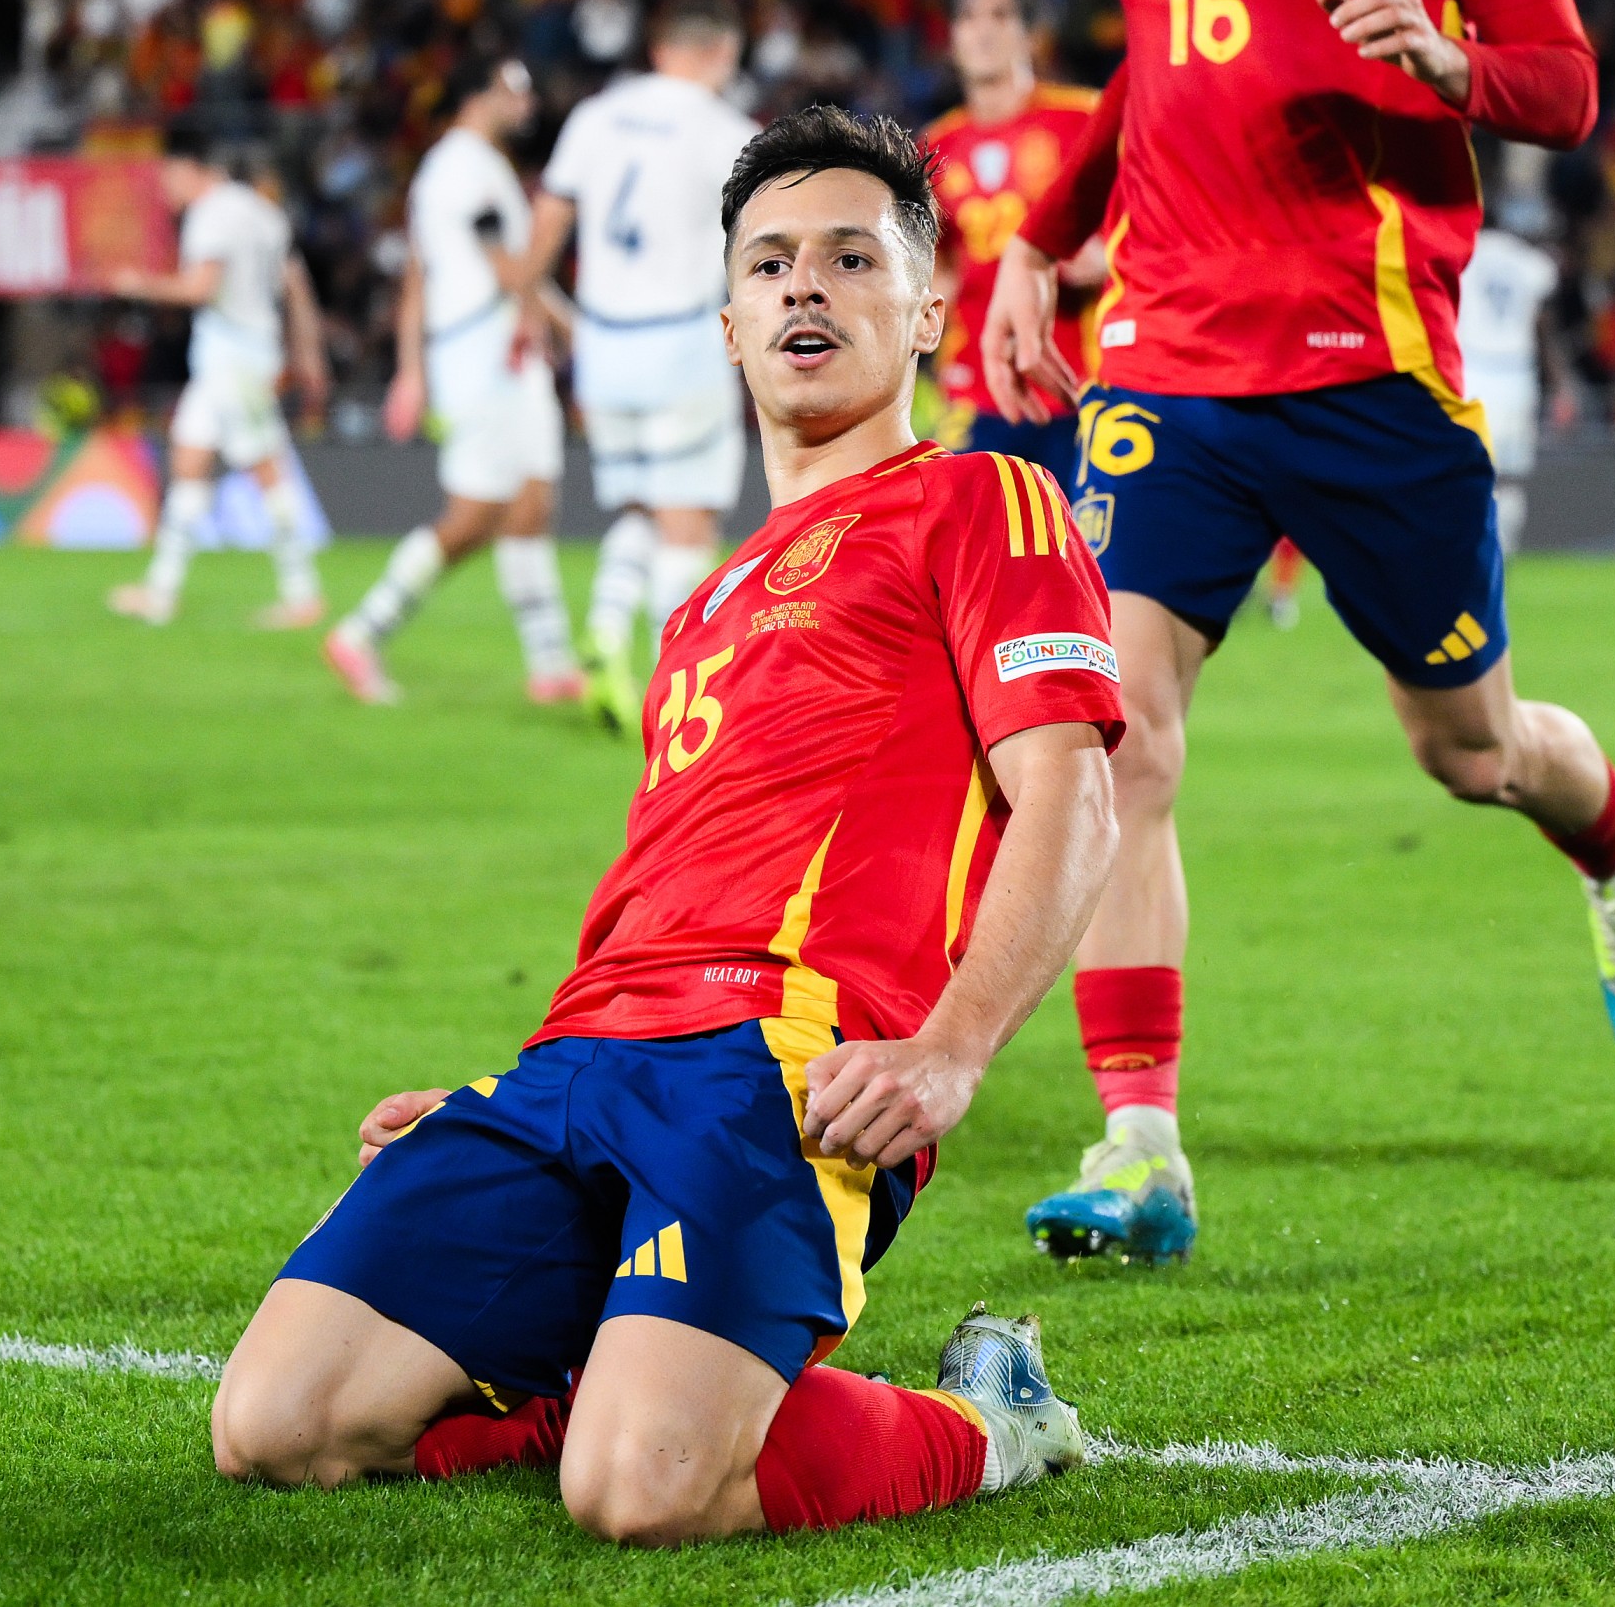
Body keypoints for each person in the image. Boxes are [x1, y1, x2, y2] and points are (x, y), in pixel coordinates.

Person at [216, 108, 1125, 1545]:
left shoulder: (976, 498)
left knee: (637, 1491)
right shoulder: (699, 603)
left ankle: (987, 1418)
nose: (803, 287)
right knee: (276, 1424)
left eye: (847, 257)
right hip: (580, 1064)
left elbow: (1072, 798)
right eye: (768, 264)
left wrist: (952, 1048)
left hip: (780, 1059)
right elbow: (663, 879)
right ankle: (625, 1345)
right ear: (725, 320)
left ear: (928, 308)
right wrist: (503, 1090)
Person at [977, 0, 1615, 1267]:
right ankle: (1139, 1142)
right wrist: (1030, 244)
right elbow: (1147, 89)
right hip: (1166, 367)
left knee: (1470, 750)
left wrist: (1448, 59)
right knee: (1116, 734)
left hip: (1374, 373)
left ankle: (1611, 838)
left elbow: (1565, 88)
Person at [525, 0, 758, 732]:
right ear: (721, 53)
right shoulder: (727, 131)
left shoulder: (596, 116)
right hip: (680, 337)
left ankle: (603, 624)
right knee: (687, 518)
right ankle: (675, 691)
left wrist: (528, 293)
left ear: (658, 49)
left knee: (635, 506)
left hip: (603, 343)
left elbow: (551, 217)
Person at [324, 51, 580, 706]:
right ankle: (362, 631)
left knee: (531, 503)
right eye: (511, 90)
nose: (525, 103)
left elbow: (421, 276)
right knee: (475, 515)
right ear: (477, 97)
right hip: (482, 354)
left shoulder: (465, 169)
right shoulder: (464, 170)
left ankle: (551, 665)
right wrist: (572, 309)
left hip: (506, 353)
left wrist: (411, 368)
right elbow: (507, 271)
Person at [107, 155, 330, 628]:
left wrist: (137, 284)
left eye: (168, 175)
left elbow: (201, 288)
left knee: (267, 467)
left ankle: (303, 594)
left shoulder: (213, 214)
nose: (166, 188)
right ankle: (161, 591)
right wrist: (307, 350)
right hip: (234, 357)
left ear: (193, 168)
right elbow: (294, 284)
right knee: (188, 462)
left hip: (236, 359)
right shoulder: (264, 211)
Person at [920, 0, 1104, 485]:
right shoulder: (933, 148)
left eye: (1000, 15)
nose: (982, 31)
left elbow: (1140, 234)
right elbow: (940, 272)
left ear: (1031, 35)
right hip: (974, 390)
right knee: (970, 553)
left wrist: (1099, 260)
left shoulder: (1085, 119)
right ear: (951, 39)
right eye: (968, 18)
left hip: (1080, 384)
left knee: (1088, 558)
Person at [1461, 214, 1562, 554]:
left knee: (1464, 469)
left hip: (1472, 369)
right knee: (1510, 475)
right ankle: (1503, 551)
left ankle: (1464, 548)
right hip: (1516, 373)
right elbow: (1541, 320)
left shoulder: (1462, 251)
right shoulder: (1531, 261)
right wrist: (1558, 380)